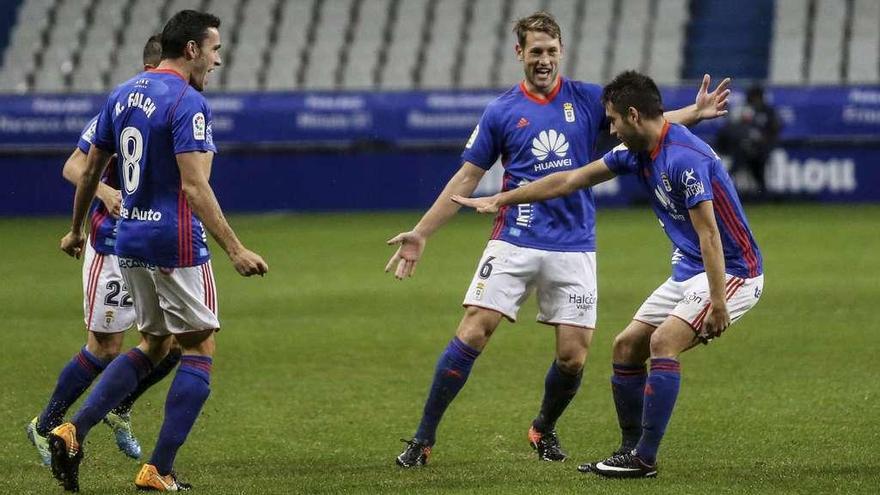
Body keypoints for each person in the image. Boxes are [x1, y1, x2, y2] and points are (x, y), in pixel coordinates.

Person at [385, 11, 731, 468]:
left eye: (551, 51)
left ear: (561, 51)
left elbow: (646, 123)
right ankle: (422, 439)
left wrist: (696, 112)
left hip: (575, 245)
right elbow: (467, 177)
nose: (543, 60)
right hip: (515, 238)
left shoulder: (589, 99)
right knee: (473, 329)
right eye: (535, 52)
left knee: (573, 358)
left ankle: (543, 428)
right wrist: (422, 233)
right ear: (519, 54)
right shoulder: (502, 111)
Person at [453, 70, 764, 479]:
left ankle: (644, 459)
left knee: (662, 343)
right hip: (691, 269)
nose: (611, 129)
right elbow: (570, 179)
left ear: (633, 115)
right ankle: (628, 449)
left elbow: (710, 235)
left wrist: (720, 303)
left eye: (614, 120)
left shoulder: (685, 159)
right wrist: (502, 198)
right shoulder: (638, 152)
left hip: (732, 271)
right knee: (625, 347)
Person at [49, 10, 268, 492]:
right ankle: (158, 469)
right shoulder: (187, 102)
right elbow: (195, 185)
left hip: (127, 239)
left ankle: (72, 429)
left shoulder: (123, 93)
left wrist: (76, 228)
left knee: (153, 344)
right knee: (200, 347)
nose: (216, 60)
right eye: (214, 50)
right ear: (191, 49)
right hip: (176, 243)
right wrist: (235, 248)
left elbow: (88, 172)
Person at [26, 34, 182, 468]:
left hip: (154, 243)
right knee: (105, 347)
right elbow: (74, 166)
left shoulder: (180, 106)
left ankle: (119, 405)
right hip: (112, 244)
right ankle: (46, 425)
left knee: (172, 345)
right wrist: (106, 191)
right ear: (154, 69)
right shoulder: (123, 104)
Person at [714, 84, 781, 198]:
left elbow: (775, 128)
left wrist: (764, 140)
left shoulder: (767, 111)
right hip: (742, 148)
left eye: (756, 97)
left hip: (760, 150)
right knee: (735, 169)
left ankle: (762, 195)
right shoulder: (745, 109)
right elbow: (733, 129)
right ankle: (723, 191)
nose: (754, 100)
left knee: (758, 173)